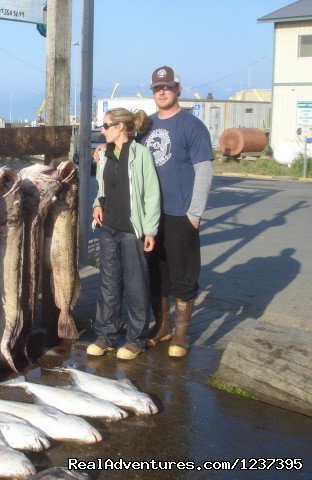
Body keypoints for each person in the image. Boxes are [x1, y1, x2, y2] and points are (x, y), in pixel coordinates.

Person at [140, 66, 214, 358]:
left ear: (178, 89)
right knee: (156, 273)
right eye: (158, 88)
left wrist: (194, 214)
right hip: (151, 215)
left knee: (184, 275)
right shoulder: (146, 125)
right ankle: (162, 325)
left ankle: (182, 331)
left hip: (181, 212)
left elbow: (205, 171)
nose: (162, 92)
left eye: (168, 87)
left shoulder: (191, 125)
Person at [86, 108, 161, 360]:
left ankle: (136, 339)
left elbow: (151, 194)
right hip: (108, 227)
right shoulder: (104, 154)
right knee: (108, 282)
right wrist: (97, 203)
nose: (102, 130)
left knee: (135, 283)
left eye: (106, 125)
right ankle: (106, 335)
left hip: (132, 229)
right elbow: (102, 188)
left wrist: (150, 230)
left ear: (121, 127)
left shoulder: (141, 155)